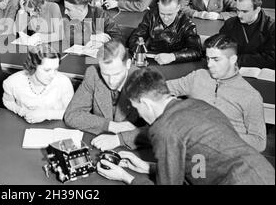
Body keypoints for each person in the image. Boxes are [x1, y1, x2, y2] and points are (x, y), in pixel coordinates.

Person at [96, 68, 275, 185]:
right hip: (263, 173)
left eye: (137, 108)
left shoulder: (165, 129)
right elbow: (201, 164)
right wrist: (149, 167)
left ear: (146, 103)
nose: (140, 114)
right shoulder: (198, 105)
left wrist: (126, 177)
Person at [166, 34, 266, 152]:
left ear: (233, 59)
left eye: (216, 59)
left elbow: (259, 142)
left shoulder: (250, 96)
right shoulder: (198, 76)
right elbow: (160, 88)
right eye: (208, 58)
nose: (209, 64)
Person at [64, 40, 148, 151]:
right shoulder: (93, 73)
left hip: (136, 149)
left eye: (117, 74)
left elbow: (161, 128)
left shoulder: (144, 80)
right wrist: (110, 125)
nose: (111, 81)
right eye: (105, 74)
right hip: (100, 144)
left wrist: (119, 139)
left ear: (128, 64)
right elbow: (72, 115)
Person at [3, 44, 74, 123]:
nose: (53, 75)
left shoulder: (64, 82)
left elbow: (74, 113)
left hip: (57, 126)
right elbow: (8, 102)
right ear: (33, 66)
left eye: (56, 69)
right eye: (47, 70)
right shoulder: (12, 82)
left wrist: (46, 114)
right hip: (25, 124)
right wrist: (22, 111)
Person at [128, 0, 202, 65]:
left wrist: (173, 56)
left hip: (176, 62)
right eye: (162, 14)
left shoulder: (187, 24)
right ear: (158, 6)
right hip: (152, 58)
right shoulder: (151, 16)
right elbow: (135, 37)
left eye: (170, 14)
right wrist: (139, 50)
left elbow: (196, 51)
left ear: (178, 8)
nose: (165, 18)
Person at [219, 0, 275, 69]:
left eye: (244, 11)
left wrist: (237, 59)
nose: (239, 15)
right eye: (237, 10)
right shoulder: (230, 24)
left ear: (257, 10)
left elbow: (271, 59)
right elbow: (219, 48)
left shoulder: (271, 27)